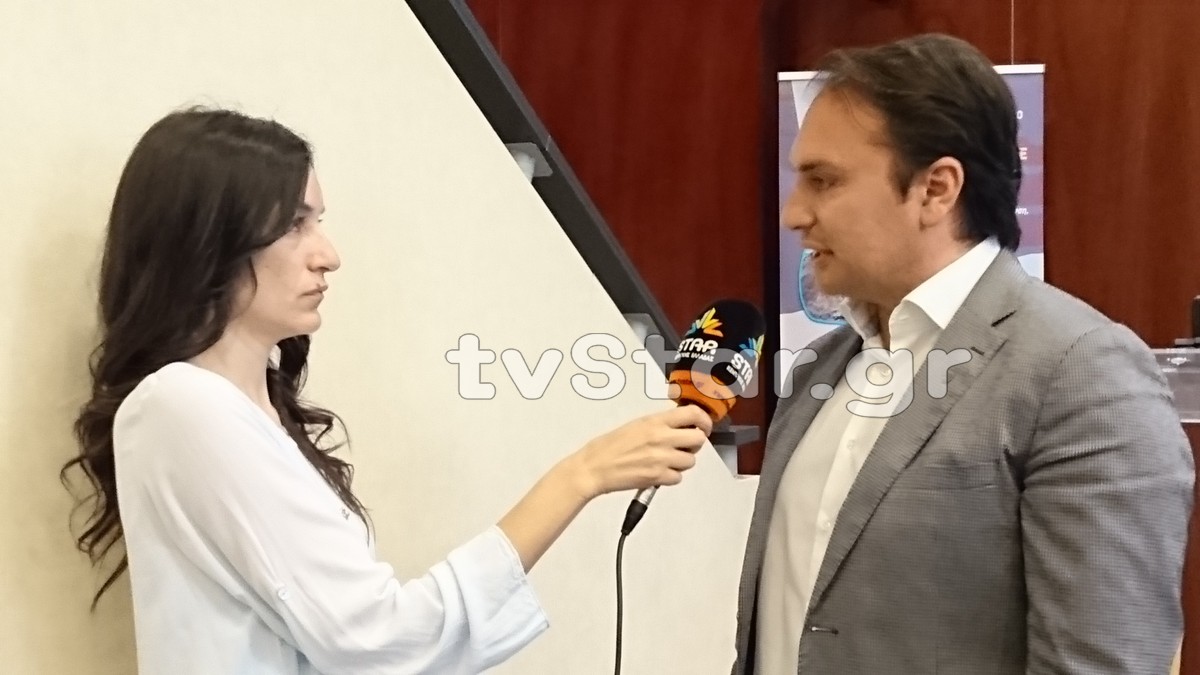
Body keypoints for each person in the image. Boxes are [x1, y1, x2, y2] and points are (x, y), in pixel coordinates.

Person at [61, 107, 713, 674]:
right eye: (294, 224)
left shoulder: (249, 411)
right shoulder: (181, 407)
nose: (327, 254)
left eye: (318, 221)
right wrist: (581, 474)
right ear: (210, 241)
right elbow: (375, 640)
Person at [734, 34, 1194, 674]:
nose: (794, 213)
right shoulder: (819, 369)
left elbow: (1102, 660)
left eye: (823, 180)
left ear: (936, 189)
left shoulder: (1082, 371)